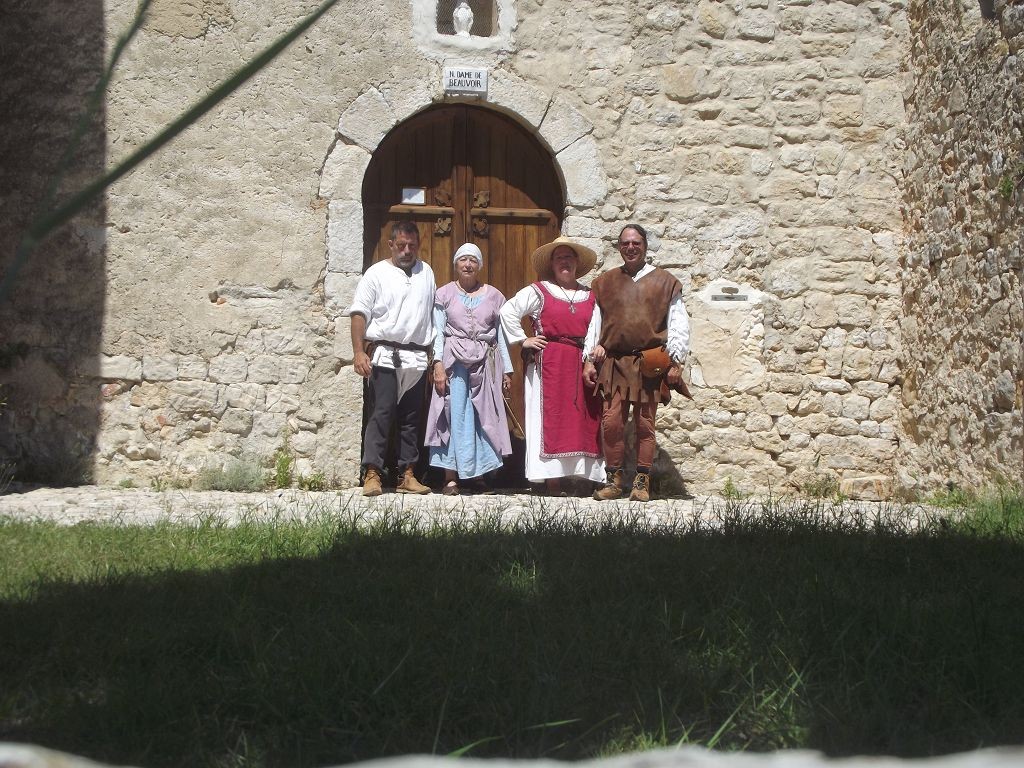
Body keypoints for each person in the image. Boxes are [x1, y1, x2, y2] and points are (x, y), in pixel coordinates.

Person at [583, 224, 691, 502]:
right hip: (615, 362)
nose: (630, 247)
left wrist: (676, 361)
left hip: (649, 364)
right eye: (625, 243)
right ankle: (614, 481)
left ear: (645, 245)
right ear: (619, 247)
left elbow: (678, 323)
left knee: (645, 424)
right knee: (611, 423)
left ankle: (642, 483)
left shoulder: (665, 282)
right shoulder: (605, 282)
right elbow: (596, 322)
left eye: (636, 243)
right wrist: (589, 359)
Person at [500, 236, 605, 495]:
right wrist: (523, 339)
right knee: (549, 417)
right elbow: (508, 311)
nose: (564, 262)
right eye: (559, 258)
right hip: (548, 362)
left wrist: (590, 359)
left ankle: (583, 478)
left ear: (576, 262)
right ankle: (552, 481)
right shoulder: (539, 290)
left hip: (579, 362)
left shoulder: (589, 296)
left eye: (568, 257)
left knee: (581, 418)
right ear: (552, 264)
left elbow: (594, 329)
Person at [348, 221, 435, 496]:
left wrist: (436, 357)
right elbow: (359, 313)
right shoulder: (376, 274)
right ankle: (372, 473)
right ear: (391, 245)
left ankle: (406, 474)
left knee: (411, 418)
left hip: (417, 358)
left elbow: (432, 315)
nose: (407, 250)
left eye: (412, 245)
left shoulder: (426, 272)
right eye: (401, 245)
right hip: (385, 355)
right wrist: (359, 351)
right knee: (381, 413)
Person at [424, 243, 514, 495]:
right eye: (463, 259)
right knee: (452, 414)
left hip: (485, 363)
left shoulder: (494, 296)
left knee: (482, 417)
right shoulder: (444, 294)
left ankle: (479, 476)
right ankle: (450, 477)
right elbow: (437, 332)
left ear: (479, 265)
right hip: (453, 363)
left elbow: (501, 335)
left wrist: (507, 370)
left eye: (473, 260)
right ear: (456, 264)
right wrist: (437, 364)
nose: (468, 264)